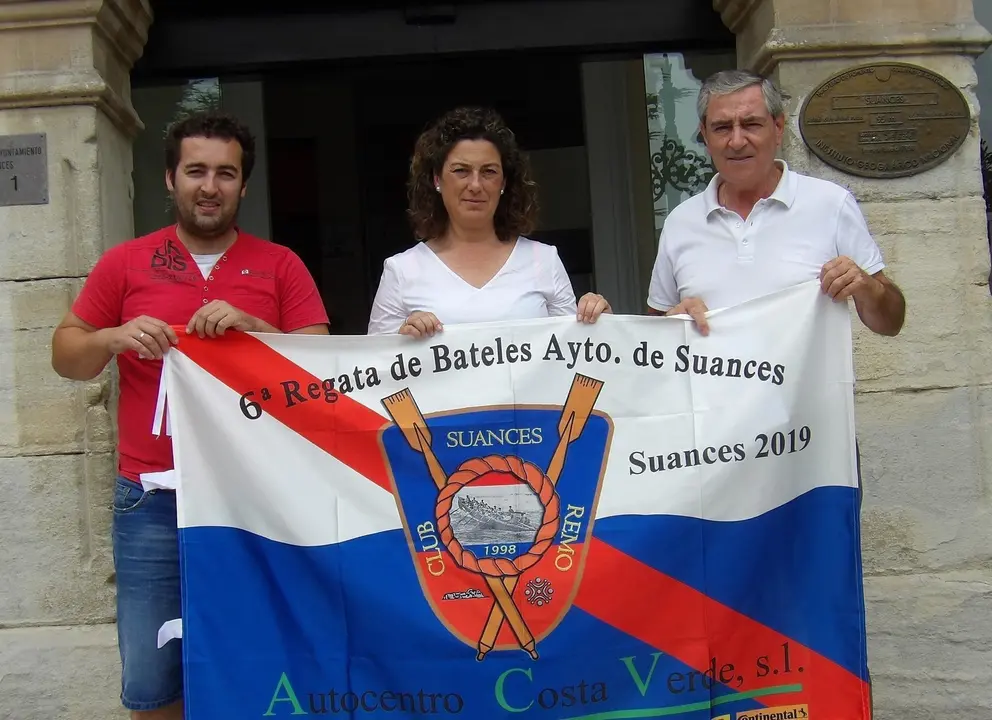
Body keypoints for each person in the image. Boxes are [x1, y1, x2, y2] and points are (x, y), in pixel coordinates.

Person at [51, 112, 329, 720]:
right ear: (170, 178)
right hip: (152, 500)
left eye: (225, 174)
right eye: (196, 171)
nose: (210, 186)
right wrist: (113, 337)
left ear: (244, 185)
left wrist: (256, 330)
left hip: (255, 497)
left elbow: (321, 370)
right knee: (154, 678)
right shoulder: (126, 263)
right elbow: (66, 355)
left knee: (262, 658)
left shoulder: (280, 265)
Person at [647, 69, 905, 337]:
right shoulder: (680, 223)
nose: (737, 141)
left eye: (751, 124)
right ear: (705, 135)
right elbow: (651, 333)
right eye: (722, 127)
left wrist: (866, 286)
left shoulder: (831, 204)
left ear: (778, 128)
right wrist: (671, 322)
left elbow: (891, 324)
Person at [367, 106, 611, 337]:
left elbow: (576, 352)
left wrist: (603, 324)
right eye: (461, 170)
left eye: (489, 172)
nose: (475, 185)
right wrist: (402, 339)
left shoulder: (544, 260)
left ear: (503, 183)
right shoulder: (401, 271)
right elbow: (377, 361)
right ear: (437, 179)